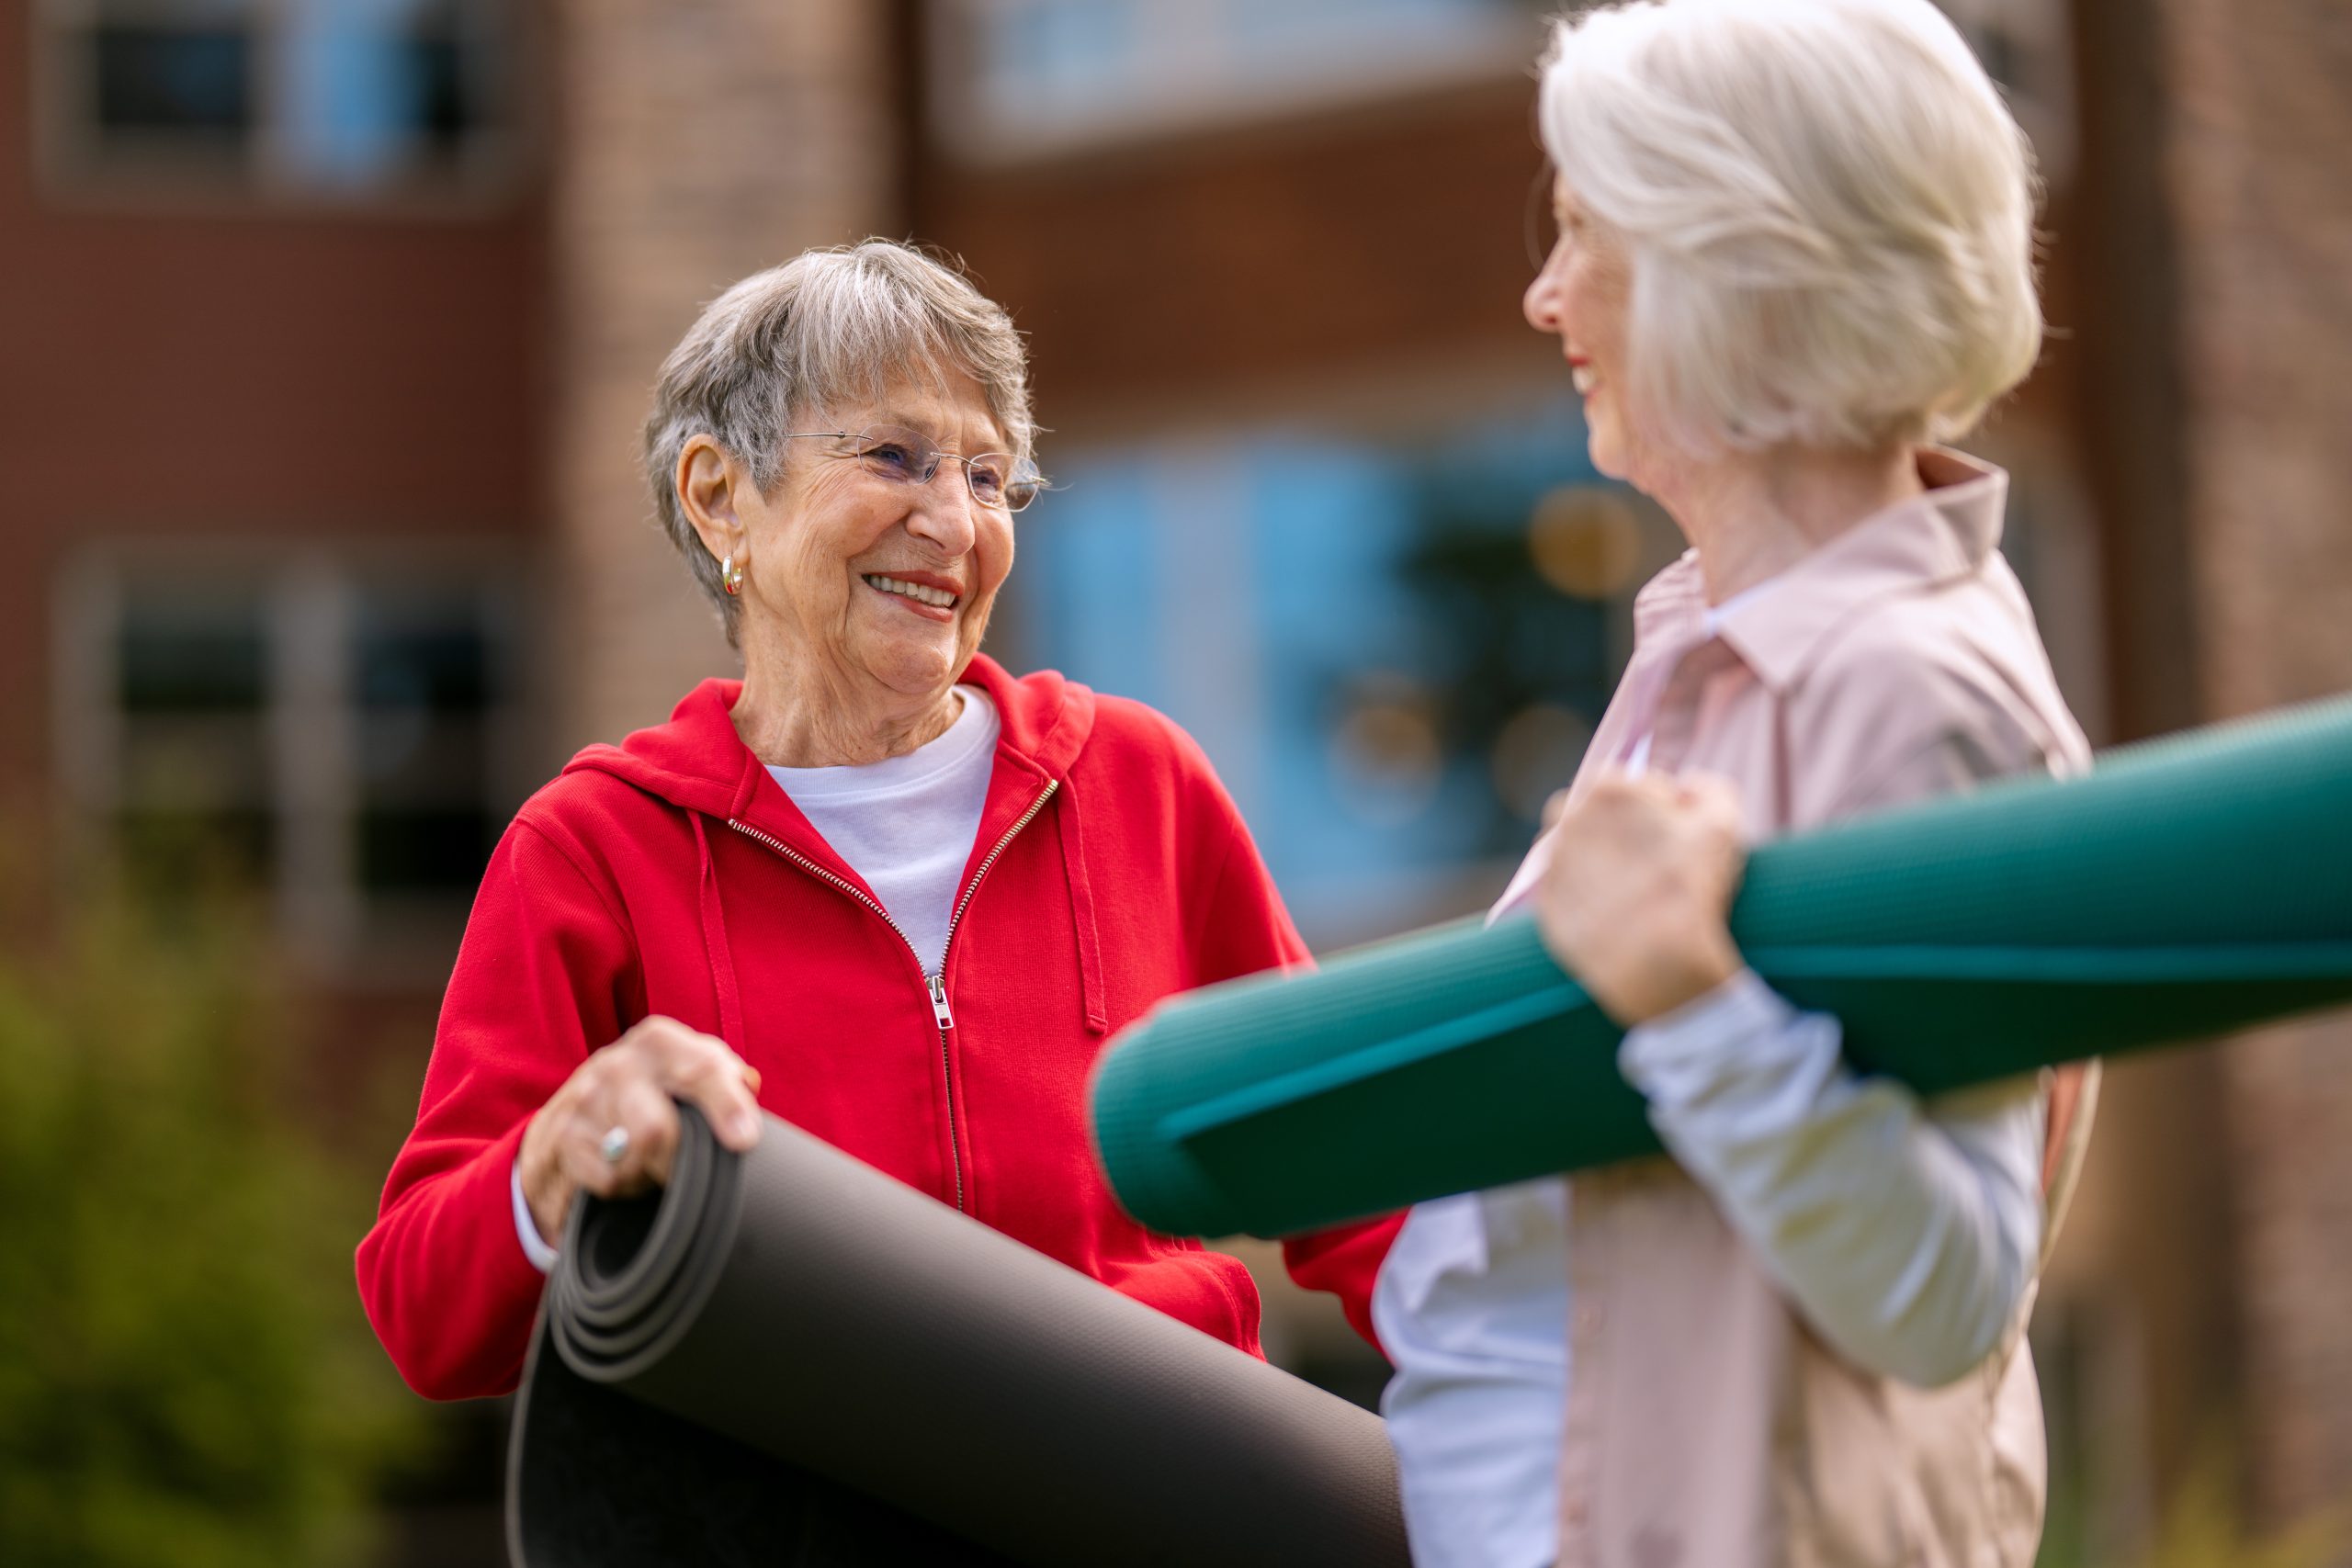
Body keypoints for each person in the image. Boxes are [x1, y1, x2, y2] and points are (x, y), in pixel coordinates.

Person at [356, 242, 1399, 1402]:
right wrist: (565, 1148)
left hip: (1164, 1485)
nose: (955, 524)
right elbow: (423, 1314)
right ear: (719, 498)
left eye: (990, 477)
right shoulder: (596, 848)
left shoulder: (1135, 782)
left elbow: (1363, 1179)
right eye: (896, 458)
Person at [1370, 3, 2098, 1565]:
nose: (1541, 290)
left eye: (1581, 231)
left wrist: (1693, 1005)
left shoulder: (1910, 681)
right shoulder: (1715, 638)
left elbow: (1954, 1283)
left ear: (1736, 255)